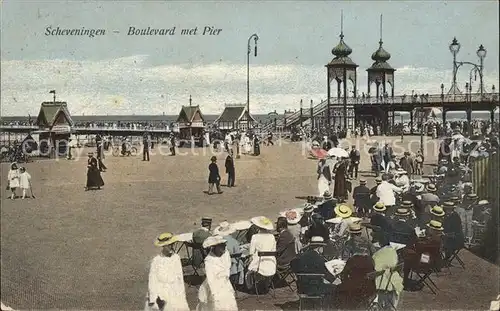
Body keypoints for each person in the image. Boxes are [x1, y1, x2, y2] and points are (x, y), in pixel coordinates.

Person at [146, 232, 189, 311]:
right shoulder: (156, 261)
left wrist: (182, 295)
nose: (171, 247)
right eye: (169, 245)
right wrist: (153, 299)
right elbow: (152, 280)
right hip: (161, 293)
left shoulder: (176, 258)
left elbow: (179, 278)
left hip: (175, 292)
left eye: (172, 244)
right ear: (163, 246)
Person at [197, 236, 238, 311]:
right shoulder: (209, 260)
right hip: (214, 284)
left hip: (224, 282)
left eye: (224, 245)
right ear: (215, 247)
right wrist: (214, 292)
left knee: (228, 302)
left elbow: (228, 266)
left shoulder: (226, 253)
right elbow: (211, 278)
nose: (224, 248)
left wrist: (225, 276)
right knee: (216, 303)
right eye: (221, 246)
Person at [372, 234, 404, 309]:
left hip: (380, 281)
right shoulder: (392, 252)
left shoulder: (380, 253)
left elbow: (374, 266)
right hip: (390, 278)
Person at [245, 216, 277, 292]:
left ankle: (251, 287)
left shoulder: (255, 237)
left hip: (259, 263)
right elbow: (274, 250)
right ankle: (265, 285)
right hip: (271, 263)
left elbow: (251, 252)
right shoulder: (272, 236)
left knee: (248, 269)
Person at [213, 221, 244, 286]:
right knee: (240, 261)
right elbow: (238, 254)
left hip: (219, 264)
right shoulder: (234, 241)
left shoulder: (217, 241)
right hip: (231, 266)